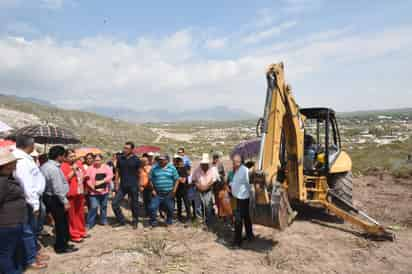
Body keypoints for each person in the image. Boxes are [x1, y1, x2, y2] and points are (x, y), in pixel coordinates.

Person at [12, 136, 48, 269]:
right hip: (29, 201)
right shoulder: (21, 160)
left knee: (32, 229)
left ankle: (33, 252)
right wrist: (34, 204)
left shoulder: (25, 158)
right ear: (30, 145)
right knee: (28, 231)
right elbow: (26, 184)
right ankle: (30, 259)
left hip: (32, 199)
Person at [41, 146, 78, 254]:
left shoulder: (45, 165)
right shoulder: (53, 169)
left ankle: (63, 243)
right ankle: (62, 246)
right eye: (64, 156)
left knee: (59, 222)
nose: (64, 158)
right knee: (61, 223)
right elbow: (57, 188)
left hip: (49, 196)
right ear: (59, 156)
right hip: (56, 198)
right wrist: (65, 201)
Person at [0, 149, 27, 274]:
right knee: (5, 254)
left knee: (12, 252)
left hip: (15, 222)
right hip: (7, 224)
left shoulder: (8, 178)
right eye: (13, 162)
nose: (15, 164)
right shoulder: (2, 182)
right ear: (6, 165)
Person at [60, 149, 87, 242]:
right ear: (65, 158)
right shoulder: (63, 166)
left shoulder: (78, 164)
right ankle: (74, 234)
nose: (73, 158)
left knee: (80, 213)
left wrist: (82, 173)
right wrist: (73, 171)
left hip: (80, 192)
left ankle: (81, 231)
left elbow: (84, 174)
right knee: (72, 216)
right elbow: (65, 179)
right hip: (70, 194)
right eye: (70, 156)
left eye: (74, 156)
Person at [112, 142, 141, 229]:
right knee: (115, 203)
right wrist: (116, 184)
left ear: (132, 150)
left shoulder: (136, 159)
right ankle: (121, 220)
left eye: (127, 148)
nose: (125, 150)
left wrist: (139, 185)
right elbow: (117, 172)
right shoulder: (120, 158)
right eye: (124, 148)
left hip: (133, 186)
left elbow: (139, 173)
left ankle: (135, 221)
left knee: (134, 204)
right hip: (122, 186)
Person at [229, 154, 254, 247]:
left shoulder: (244, 170)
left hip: (243, 198)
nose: (233, 163)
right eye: (233, 161)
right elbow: (236, 182)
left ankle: (237, 241)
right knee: (246, 217)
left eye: (234, 161)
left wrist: (248, 194)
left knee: (238, 220)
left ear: (238, 162)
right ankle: (249, 235)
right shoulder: (236, 170)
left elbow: (248, 184)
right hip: (237, 198)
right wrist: (232, 184)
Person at [149, 154, 180, 227]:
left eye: (162, 160)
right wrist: (152, 189)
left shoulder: (172, 168)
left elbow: (176, 180)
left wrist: (174, 191)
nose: (160, 161)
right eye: (159, 159)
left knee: (170, 208)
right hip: (157, 192)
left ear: (167, 160)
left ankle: (169, 221)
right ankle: (153, 221)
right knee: (152, 207)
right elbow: (150, 179)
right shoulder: (154, 168)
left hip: (169, 193)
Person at [86, 154, 113, 229]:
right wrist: (94, 188)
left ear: (102, 160)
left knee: (103, 206)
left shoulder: (106, 167)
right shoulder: (90, 168)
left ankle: (103, 220)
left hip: (104, 191)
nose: (97, 162)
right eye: (95, 160)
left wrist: (102, 181)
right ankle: (89, 223)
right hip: (93, 192)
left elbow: (110, 176)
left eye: (98, 160)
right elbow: (87, 179)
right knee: (94, 207)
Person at [192, 153, 219, 226]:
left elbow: (213, 180)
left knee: (208, 206)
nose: (204, 165)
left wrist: (206, 187)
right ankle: (199, 220)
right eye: (202, 164)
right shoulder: (197, 170)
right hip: (198, 190)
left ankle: (209, 220)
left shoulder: (212, 170)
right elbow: (194, 180)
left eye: (205, 164)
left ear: (207, 164)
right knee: (198, 206)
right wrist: (198, 186)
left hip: (208, 190)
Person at [173, 155, 191, 222]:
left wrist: (177, 178)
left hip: (184, 189)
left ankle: (188, 217)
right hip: (178, 189)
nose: (177, 163)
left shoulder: (183, 169)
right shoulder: (175, 169)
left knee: (186, 203)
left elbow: (183, 180)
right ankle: (179, 216)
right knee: (179, 203)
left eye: (178, 162)